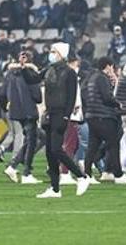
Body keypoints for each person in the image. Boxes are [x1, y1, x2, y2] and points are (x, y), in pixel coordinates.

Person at [37, 42, 90, 198]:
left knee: (56, 149)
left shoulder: (69, 73)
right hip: (49, 114)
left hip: (61, 114)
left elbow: (71, 97)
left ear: (61, 54)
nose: (51, 54)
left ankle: (81, 176)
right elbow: (33, 78)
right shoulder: (49, 70)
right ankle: (55, 188)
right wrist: (23, 66)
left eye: (54, 51)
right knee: (49, 152)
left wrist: (66, 116)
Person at [82, 57, 126, 184]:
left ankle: (87, 174)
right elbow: (107, 97)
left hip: (92, 115)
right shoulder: (102, 78)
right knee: (113, 144)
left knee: (93, 146)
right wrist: (118, 104)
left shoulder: (92, 77)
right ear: (108, 66)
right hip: (103, 116)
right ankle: (118, 175)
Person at [2, 50, 43, 184]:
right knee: (32, 141)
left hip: (15, 111)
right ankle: (26, 173)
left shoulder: (9, 74)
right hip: (29, 111)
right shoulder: (30, 73)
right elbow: (37, 97)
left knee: (32, 139)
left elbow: (2, 93)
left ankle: (13, 166)